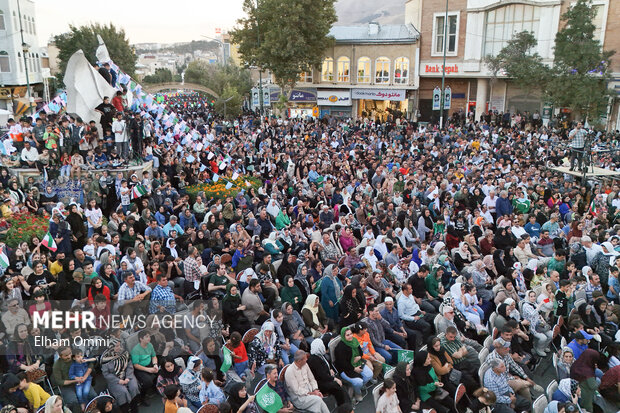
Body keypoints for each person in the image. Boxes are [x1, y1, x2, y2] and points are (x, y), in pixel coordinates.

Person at [100, 338, 140, 413]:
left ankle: (135, 409)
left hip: (127, 375)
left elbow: (129, 366)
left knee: (133, 386)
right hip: (114, 380)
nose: (119, 348)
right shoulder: (105, 359)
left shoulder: (124, 353)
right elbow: (106, 374)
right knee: (123, 391)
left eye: (119, 345)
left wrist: (128, 377)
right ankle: (125, 410)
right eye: (116, 346)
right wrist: (119, 380)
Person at [334, 327, 373, 402]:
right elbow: (342, 363)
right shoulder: (340, 348)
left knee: (369, 374)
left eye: (351, 334)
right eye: (347, 335)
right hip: (346, 369)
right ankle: (357, 393)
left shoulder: (354, 341)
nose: (350, 336)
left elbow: (361, 352)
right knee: (358, 382)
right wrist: (354, 369)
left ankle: (358, 387)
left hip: (358, 363)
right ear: (343, 336)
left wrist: (358, 357)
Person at [307, 339, 350, 405]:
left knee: (344, 383)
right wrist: (334, 379)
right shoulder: (313, 360)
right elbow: (321, 375)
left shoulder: (320, 355)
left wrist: (330, 369)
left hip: (327, 378)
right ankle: (343, 405)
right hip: (320, 383)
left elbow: (327, 364)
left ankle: (346, 403)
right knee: (337, 386)